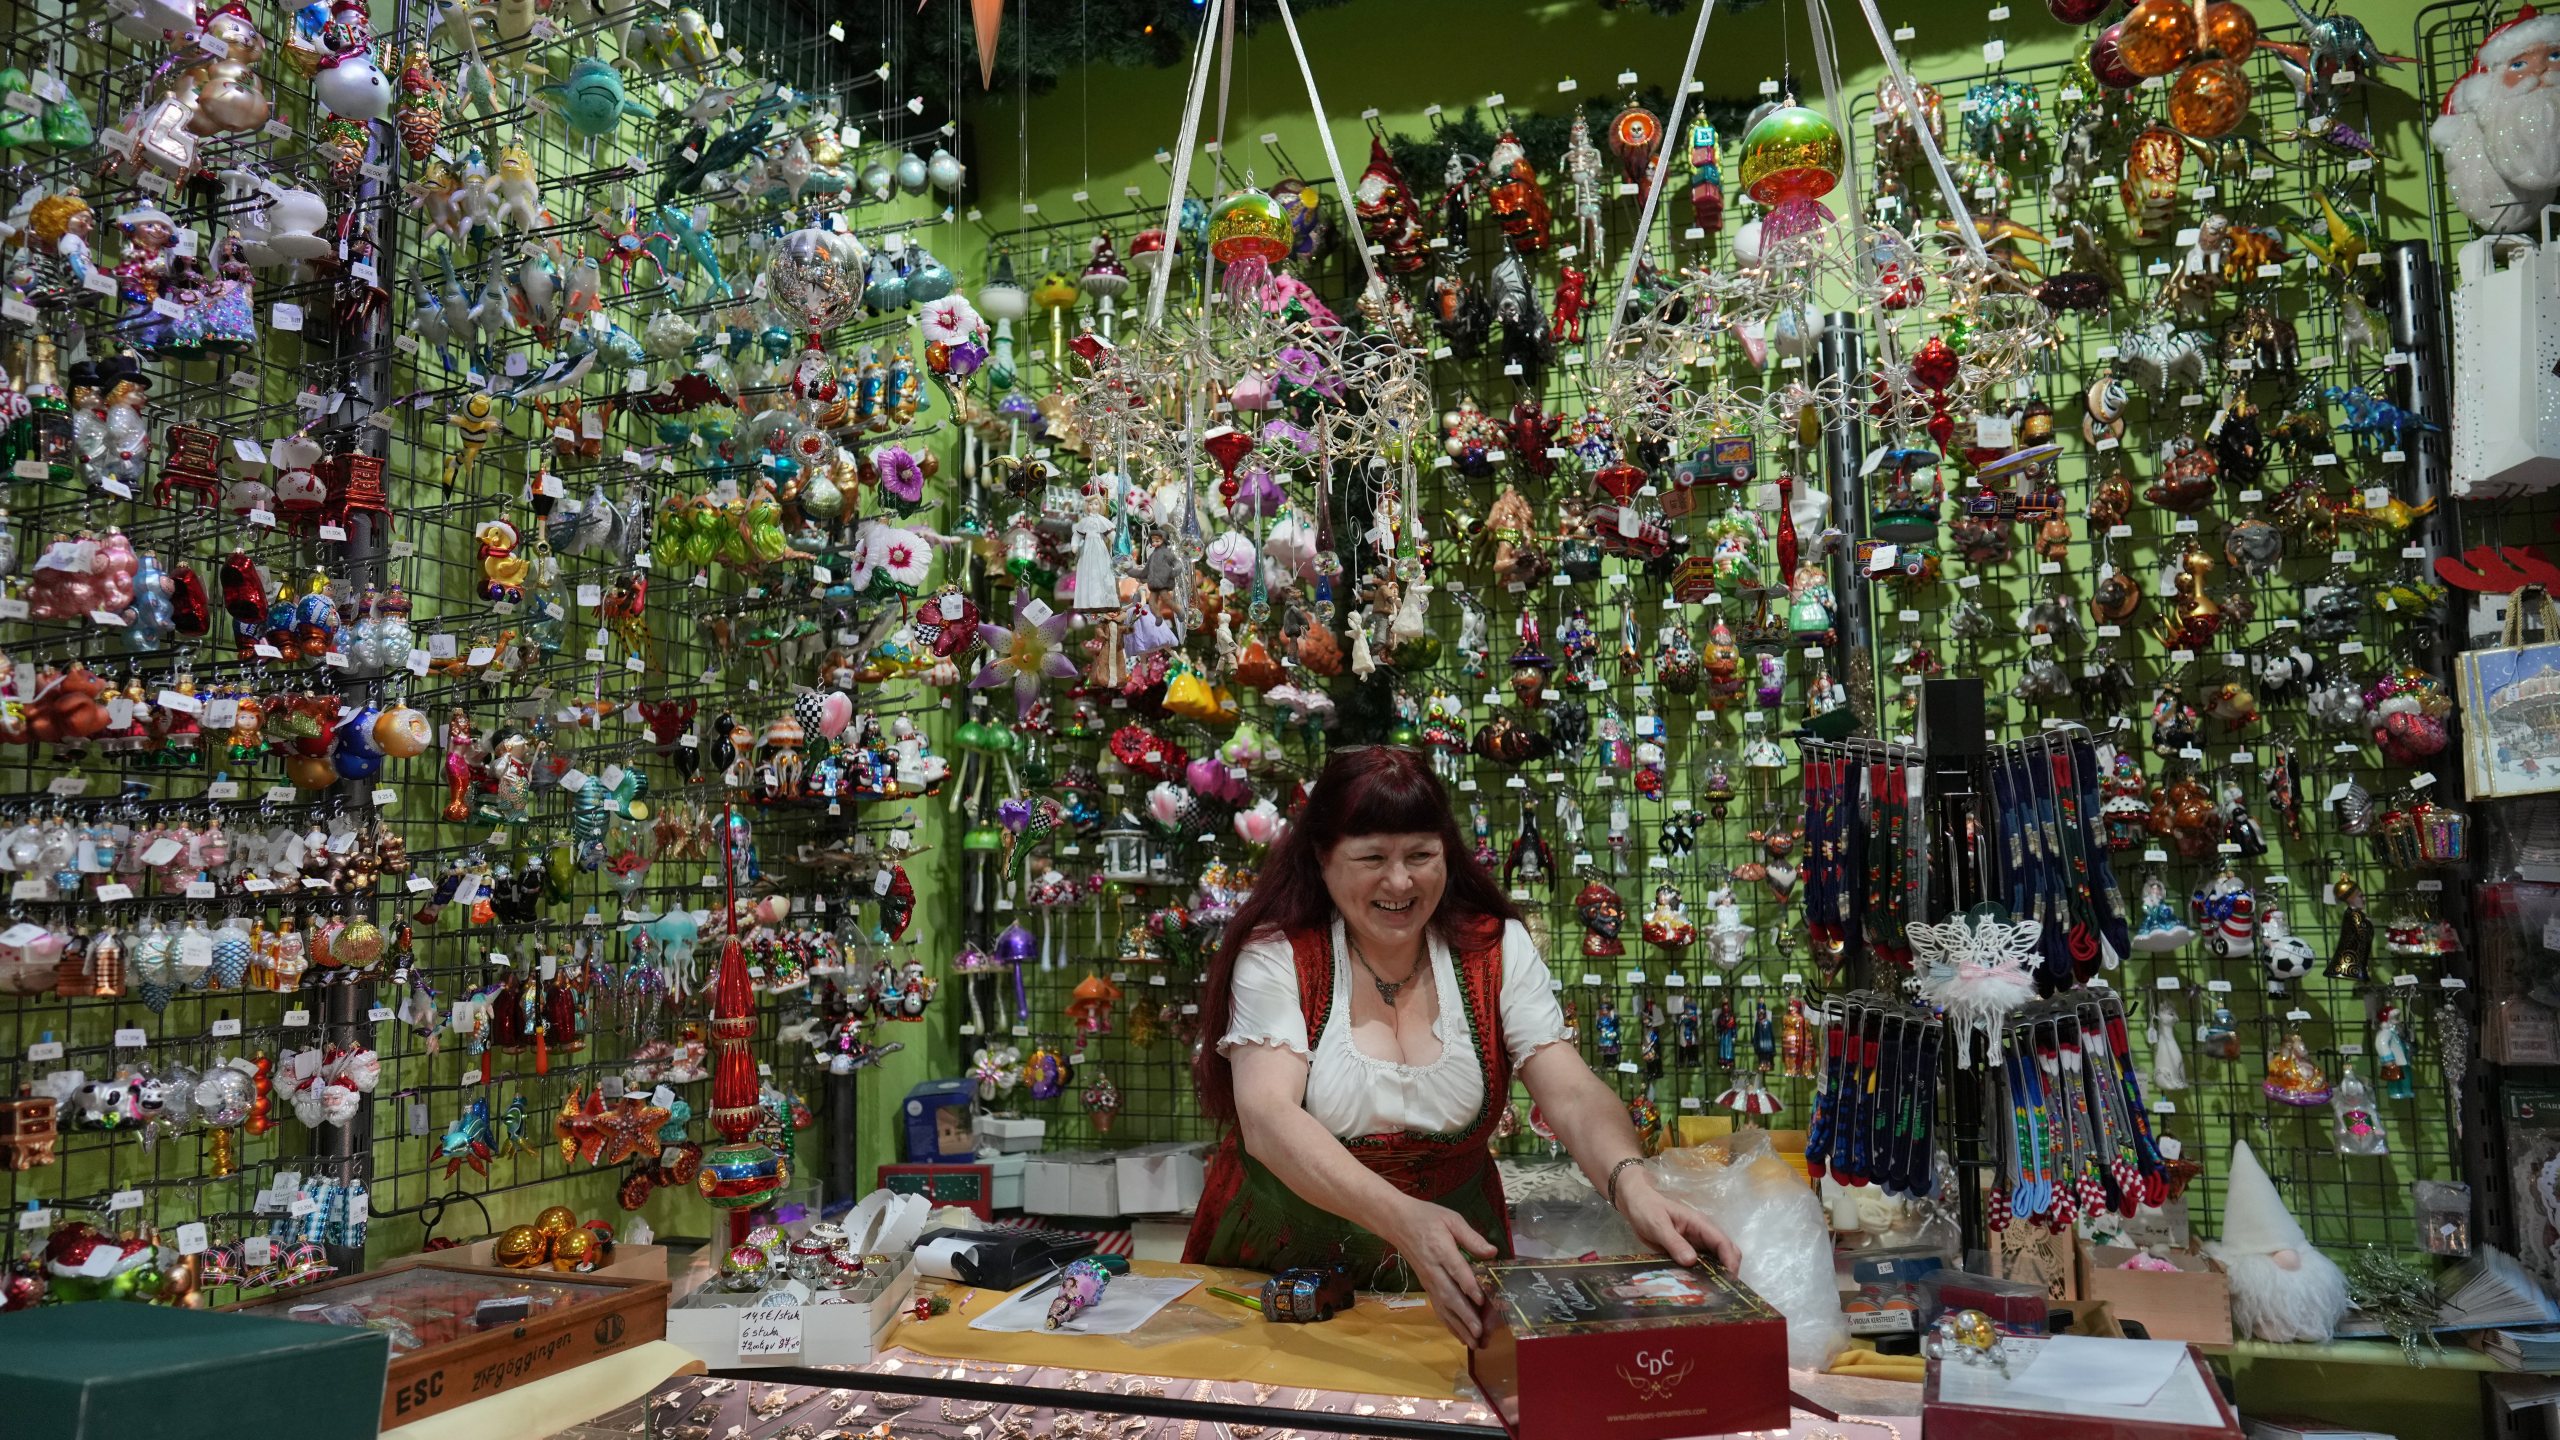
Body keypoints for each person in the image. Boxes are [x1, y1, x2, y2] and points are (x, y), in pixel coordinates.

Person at [1185, 746, 1740, 1346]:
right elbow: (1268, 1118)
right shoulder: (1280, 955)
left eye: (1421, 856)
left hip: (1458, 1269)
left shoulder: (1492, 949)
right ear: (1322, 859)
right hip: (1280, 1267)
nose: (1399, 882)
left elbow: (1572, 1091)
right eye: (1371, 857)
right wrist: (1403, 1219)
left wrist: (1634, 1187)